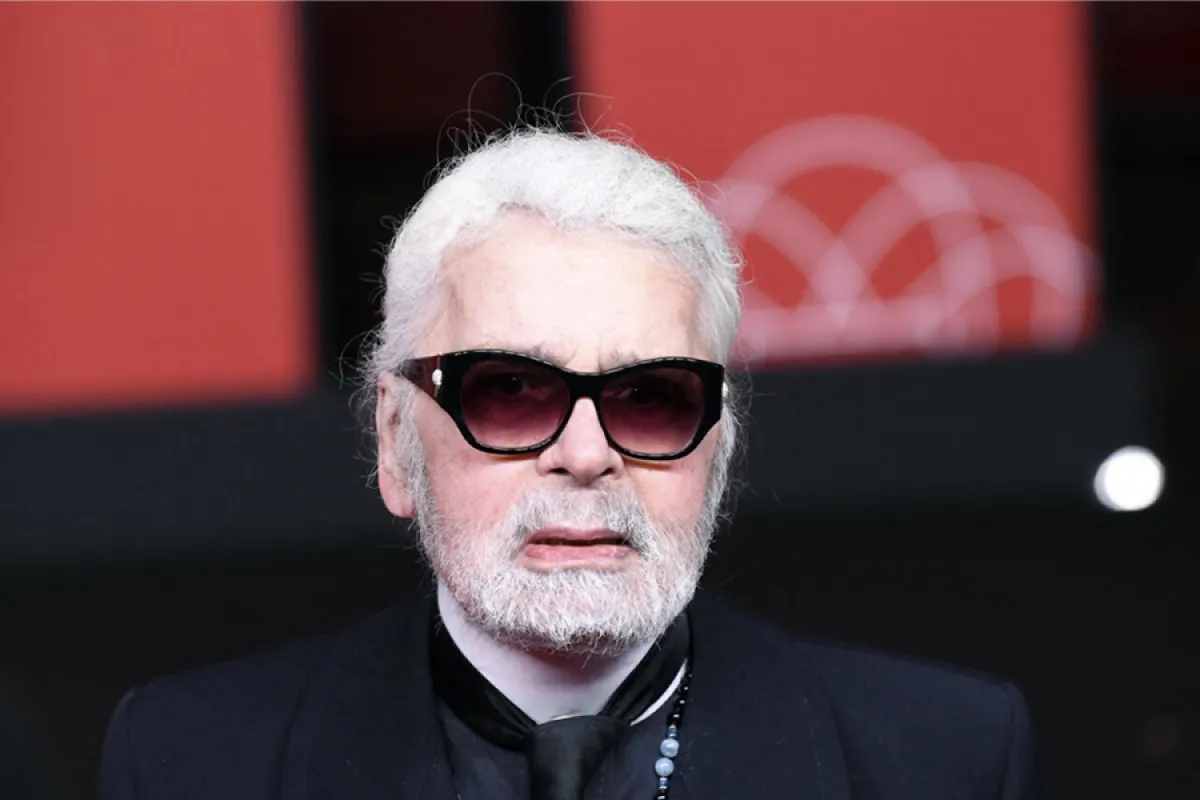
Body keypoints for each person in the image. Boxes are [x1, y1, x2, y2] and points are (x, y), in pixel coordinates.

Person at [99, 127, 1036, 799]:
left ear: (722, 443)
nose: (586, 456)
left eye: (649, 397)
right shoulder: (188, 761)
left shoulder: (943, 757)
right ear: (394, 441)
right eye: (509, 390)